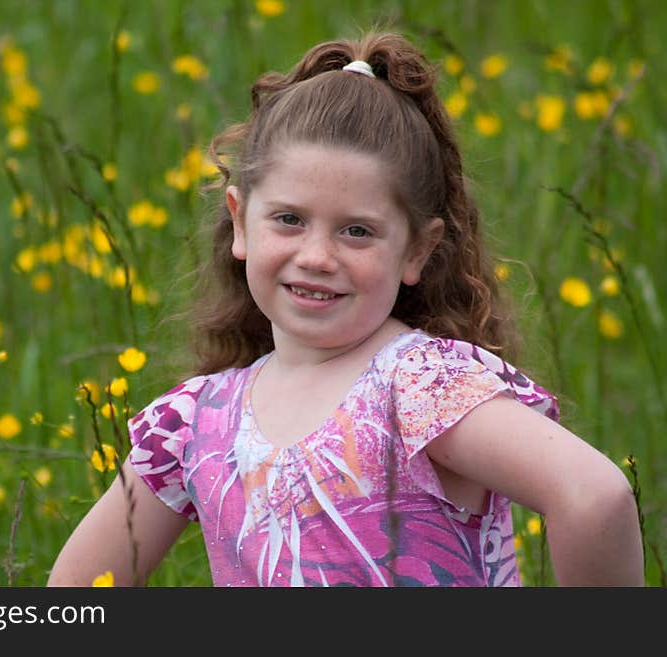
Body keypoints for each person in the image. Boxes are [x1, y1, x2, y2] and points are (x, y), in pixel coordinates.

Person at [48, 31, 644, 587]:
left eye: (356, 231)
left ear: (417, 250)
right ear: (239, 221)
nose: (317, 256)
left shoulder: (421, 389)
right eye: (289, 219)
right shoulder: (194, 424)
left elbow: (595, 495)